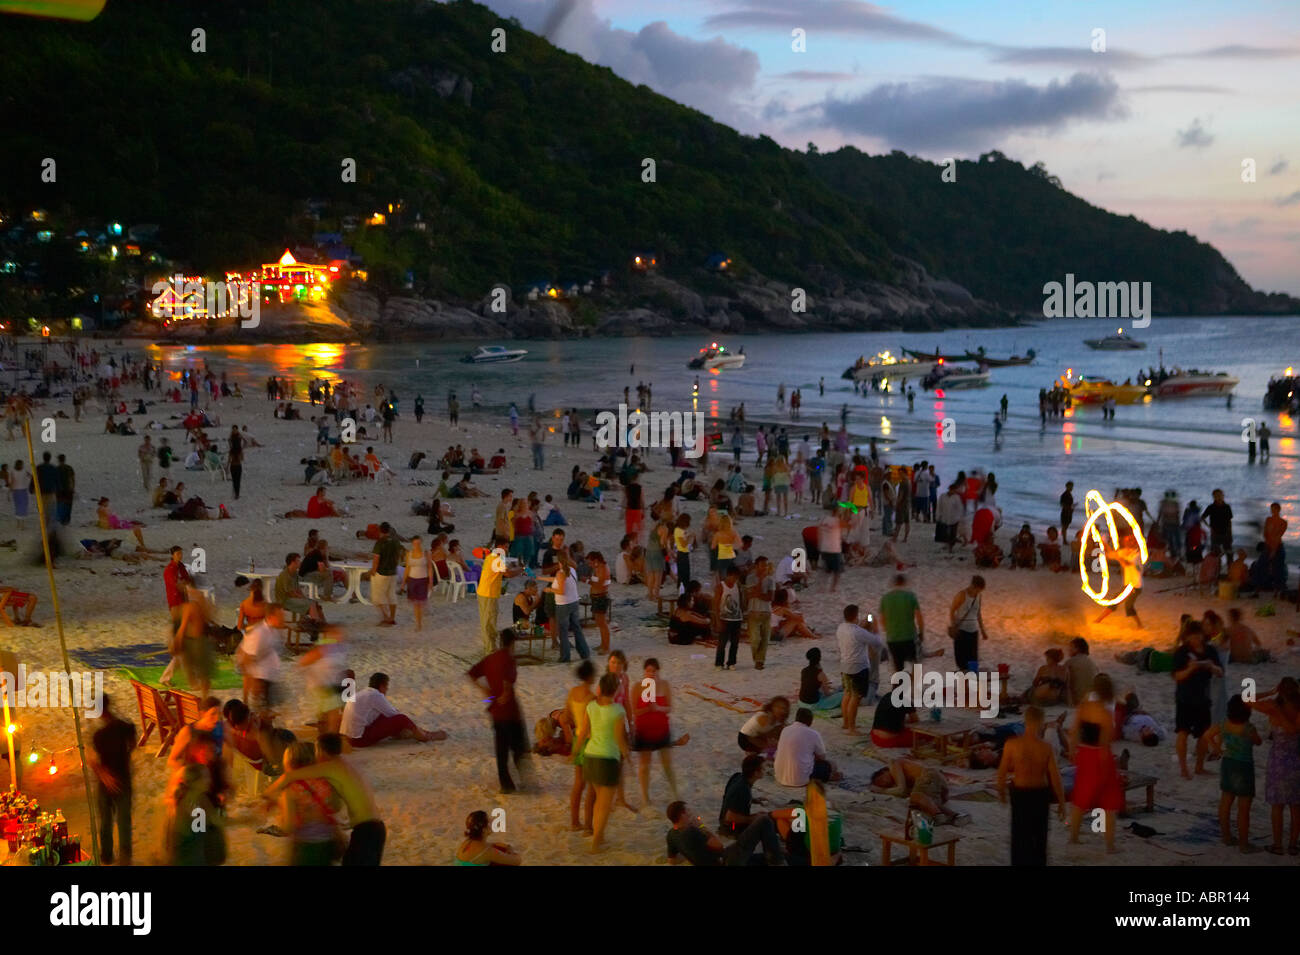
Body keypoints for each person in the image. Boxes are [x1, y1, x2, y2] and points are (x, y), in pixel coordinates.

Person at [261, 732, 387, 865]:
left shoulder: (330, 767)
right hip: (375, 828)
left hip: (365, 830)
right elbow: (336, 804)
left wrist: (267, 794)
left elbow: (288, 777)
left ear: (321, 751)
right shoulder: (343, 764)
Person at [996, 705, 1065, 866]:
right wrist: (1062, 802)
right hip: (1039, 794)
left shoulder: (1012, 745)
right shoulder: (1045, 747)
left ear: (1025, 721)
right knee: (1039, 835)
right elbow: (1055, 777)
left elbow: (1002, 773)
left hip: (1020, 792)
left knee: (1019, 834)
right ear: (1041, 723)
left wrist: (1001, 792)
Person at [573, 672, 632, 853]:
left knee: (599, 800)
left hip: (590, 757)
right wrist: (627, 755)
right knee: (604, 805)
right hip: (607, 759)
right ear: (615, 690)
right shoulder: (618, 710)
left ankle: (600, 835)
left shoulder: (591, 706)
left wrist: (574, 752)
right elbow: (619, 739)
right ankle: (596, 842)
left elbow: (583, 733)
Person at [468, 628, 531, 794]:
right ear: (513, 643)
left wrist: (485, 691)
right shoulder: (508, 659)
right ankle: (526, 782)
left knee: (501, 749)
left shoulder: (491, 658)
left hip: (495, 708)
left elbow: (472, 673)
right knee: (519, 748)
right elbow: (508, 682)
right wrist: (505, 693)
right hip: (509, 710)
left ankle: (506, 785)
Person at [1068, 673, 1124, 854]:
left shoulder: (1084, 707)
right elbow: (1104, 743)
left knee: (1081, 798)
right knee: (1108, 802)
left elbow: (1074, 730)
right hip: (1099, 756)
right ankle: (1109, 845)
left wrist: (1072, 751)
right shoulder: (1106, 715)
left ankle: (1074, 837)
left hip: (1084, 753)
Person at [1247, 677, 1300, 855]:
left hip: (1278, 761)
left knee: (1277, 806)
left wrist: (1270, 692)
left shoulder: (1273, 707)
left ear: (1280, 691)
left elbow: (1247, 699)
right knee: (1296, 806)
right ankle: (1293, 845)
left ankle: (1277, 845)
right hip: (1296, 761)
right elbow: (1294, 731)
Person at [1204, 694, 1262, 853]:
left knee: (1226, 801)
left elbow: (1207, 735)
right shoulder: (1248, 728)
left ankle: (1226, 836)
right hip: (1244, 767)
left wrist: (1217, 748)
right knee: (1244, 808)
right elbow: (1258, 741)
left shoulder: (1224, 725)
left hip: (1228, 764)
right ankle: (1244, 844)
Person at [666, 795, 785, 867]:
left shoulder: (671, 835)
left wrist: (692, 853)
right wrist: (701, 826)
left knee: (762, 858)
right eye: (689, 811)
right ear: (683, 815)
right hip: (727, 861)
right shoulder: (692, 831)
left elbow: (672, 860)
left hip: (724, 859)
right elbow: (719, 846)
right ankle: (777, 863)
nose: (692, 812)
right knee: (764, 820)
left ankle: (776, 858)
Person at [632, 658, 689, 805]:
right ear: (644, 672)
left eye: (654, 671)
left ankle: (675, 793)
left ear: (658, 671)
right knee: (645, 765)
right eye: (648, 671)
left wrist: (657, 708)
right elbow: (634, 711)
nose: (651, 673)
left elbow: (669, 707)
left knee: (667, 764)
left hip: (662, 729)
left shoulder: (664, 685)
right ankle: (645, 797)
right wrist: (647, 708)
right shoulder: (638, 687)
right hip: (644, 730)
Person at [88, 694, 136, 866]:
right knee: (124, 820)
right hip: (123, 776)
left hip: (106, 780)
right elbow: (132, 745)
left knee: (106, 821)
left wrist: (104, 776)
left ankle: (107, 857)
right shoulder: (126, 726)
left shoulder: (98, 734)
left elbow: (92, 760)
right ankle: (125, 857)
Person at [340, 671, 446, 747]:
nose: (387, 689)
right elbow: (395, 715)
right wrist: (416, 728)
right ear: (382, 686)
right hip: (359, 739)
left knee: (383, 715)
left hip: (349, 737)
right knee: (402, 718)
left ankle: (405, 734)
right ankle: (425, 736)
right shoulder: (376, 695)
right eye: (386, 686)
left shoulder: (364, 693)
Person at [1173, 621, 1222, 779]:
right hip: (1185, 698)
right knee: (1183, 732)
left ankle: (1199, 767)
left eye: (1197, 636)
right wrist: (1190, 669)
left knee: (1203, 734)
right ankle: (1183, 769)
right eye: (1192, 637)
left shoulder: (1210, 650)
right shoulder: (1182, 652)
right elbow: (1177, 676)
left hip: (1203, 697)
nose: (1195, 640)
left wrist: (1211, 667)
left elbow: (1221, 672)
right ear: (1187, 637)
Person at [837, 604, 883, 734]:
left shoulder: (841, 628)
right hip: (858, 668)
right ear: (855, 616)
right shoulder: (858, 632)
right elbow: (877, 642)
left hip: (845, 666)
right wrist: (876, 629)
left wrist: (864, 625)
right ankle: (852, 728)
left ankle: (846, 723)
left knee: (847, 694)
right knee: (855, 698)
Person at [565, 661, 599, 832]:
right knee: (591, 787)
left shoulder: (572, 692)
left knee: (578, 784)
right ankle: (587, 825)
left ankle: (574, 822)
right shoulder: (591, 697)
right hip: (589, 741)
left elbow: (566, 717)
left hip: (576, 738)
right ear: (590, 677)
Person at [477, 534, 523, 657]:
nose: (507, 549)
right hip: (488, 594)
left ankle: (490, 647)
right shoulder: (496, 559)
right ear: (500, 546)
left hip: (486, 593)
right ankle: (490, 650)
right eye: (506, 547)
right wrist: (521, 569)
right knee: (489, 622)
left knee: (489, 621)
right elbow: (507, 574)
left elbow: (504, 569)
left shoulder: (493, 556)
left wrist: (515, 568)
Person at [237, 604, 285, 718]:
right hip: (259, 679)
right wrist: (247, 695)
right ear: (271, 617)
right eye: (281, 616)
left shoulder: (273, 631)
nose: (284, 619)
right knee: (261, 714)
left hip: (269, 676)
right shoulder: (259, 633)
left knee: (268, 711)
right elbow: (245, 659)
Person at [773, 707, 835, 786]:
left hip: (780, 777)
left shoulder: (785, 730)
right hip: (800, 779)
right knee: (832, 765)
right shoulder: (813, 734)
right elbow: (822, 757)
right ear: (810, 721)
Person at [550, 549, 591, 663]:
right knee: (576, 628)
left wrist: (549, 589)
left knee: (563, 631)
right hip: (574, 602)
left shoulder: (560, 573)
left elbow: (561, 590)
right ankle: (584, 652)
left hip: (563, 604)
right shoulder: (572, 570)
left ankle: (565, 657)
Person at [879, 573, 924, 670]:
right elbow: (919, 617)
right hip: (909, 636)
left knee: (898, 667)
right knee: (915, 665)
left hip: (893, 638)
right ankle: (913, 683)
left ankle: (900, 684)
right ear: (904, 583)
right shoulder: (911, 596)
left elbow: (882, 620)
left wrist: (888, 630)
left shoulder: (885, 598)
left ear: (894, 584)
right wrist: (921, 632)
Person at [948, 575, 988, 671]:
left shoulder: (979, 596)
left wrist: (983, 630)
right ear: (973, 586)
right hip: (961, 630)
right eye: (978, 590)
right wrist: (954, 626)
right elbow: (952, 610)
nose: (978, 592)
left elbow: (978, 613)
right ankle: (964, 682)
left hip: (974, 630)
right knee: (962, 660)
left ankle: (972, 682)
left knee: (973, 658)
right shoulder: (961, 595)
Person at [454, 810, 522, 866]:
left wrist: (506, 846)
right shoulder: (487, 851)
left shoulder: (467, 842)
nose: (492, 821)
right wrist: (511, 851)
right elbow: (517, 860)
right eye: (489, 821)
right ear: (484, 830)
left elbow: (488, 845)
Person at [368, 522, 402, 626]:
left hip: (382, 572)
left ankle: (386, 617)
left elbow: (376, 558)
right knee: (391, 595)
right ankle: (392, 617)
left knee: (378, 596)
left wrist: (373, 570)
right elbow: (399, 556)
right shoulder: (396, 542)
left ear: (380, 531)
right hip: (393, 571)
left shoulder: (380, 542)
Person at [713, 565, 744, 670]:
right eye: (734, 577)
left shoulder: (737, 586)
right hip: (724, 619)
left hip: (736, 618)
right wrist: (717, 621)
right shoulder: (720, 587)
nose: (735, 580)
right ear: (728, 575)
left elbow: (741, 601)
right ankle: (719, 663)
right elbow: (716, 605)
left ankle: (731, 662)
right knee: (722, 643)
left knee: (735, 643)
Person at [402, 534, 432, 631]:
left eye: (419, 543)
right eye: (415, 543)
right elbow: (407, 568)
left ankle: (420, 621)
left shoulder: (426, 553)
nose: (417, 545)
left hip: (423, 579)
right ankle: (418, 624)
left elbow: (430, 568)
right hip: (412, 579)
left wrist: (430, 581)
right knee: (415, 604)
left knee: (421, 602)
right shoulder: (409, 554)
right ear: (412, 544)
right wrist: (403, 582)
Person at [799, 647, 843, 711]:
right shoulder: (820, 674)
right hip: (813, 705)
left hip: (801, 702)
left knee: (823, 690)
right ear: (820, 658)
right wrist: (835, 692)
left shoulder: (804, 670)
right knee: (843, 694)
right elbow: (827, 694)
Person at [1065, 636, 1098, 706]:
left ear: (1077, 649)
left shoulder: (1070, 662)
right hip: (1091, 698)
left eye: (1071, 647)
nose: (1068, 649)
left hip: (1077, 699)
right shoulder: (1092, 662)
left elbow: (1063, 680)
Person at [817, 507, 844, 591]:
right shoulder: (837, 521)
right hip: (834, 549)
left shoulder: (823, 519)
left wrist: (819, 545)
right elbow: (851, 525)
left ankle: (822, 587)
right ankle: (833, 588)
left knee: (826, 570)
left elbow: (819, 532)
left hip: (824, 548)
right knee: (837, 571)